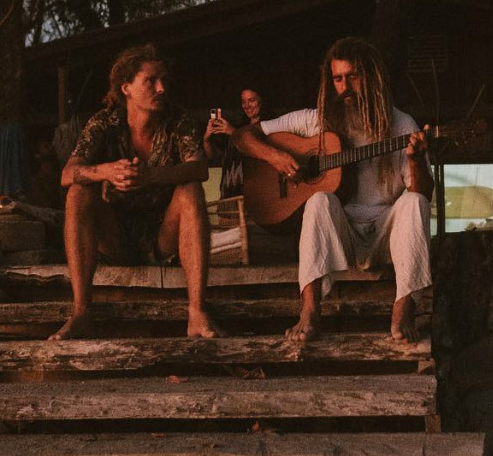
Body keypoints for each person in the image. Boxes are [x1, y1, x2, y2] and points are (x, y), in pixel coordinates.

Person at [231, 37, 432, 343]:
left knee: (414, 202)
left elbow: (424, 192)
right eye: (338, 78)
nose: (345, 86)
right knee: (319, 200)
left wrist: (415, 161)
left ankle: (404, 305)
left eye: (353, 76)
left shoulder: (401, 124)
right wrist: (276, 157)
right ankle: (310, 311)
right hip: (343, 234)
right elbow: (242, 137)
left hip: (386, 234)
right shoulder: (316, 121)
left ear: (372, 77)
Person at [51, 45, 222, 340]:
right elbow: (67, 174)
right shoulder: (104, 122)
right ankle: (81, 313)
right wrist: (105, 171)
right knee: (78, 192)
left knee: (191, 189)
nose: (161, 88)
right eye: (151, 81)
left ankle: (196, 311)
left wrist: (151, 176)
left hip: (162, 237)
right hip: (115, 237)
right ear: (126, 87)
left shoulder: (178, 120)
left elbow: (199, 168)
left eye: (163, 80)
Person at [220, 87, 264, 198]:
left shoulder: (270, 126)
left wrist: (234, 132)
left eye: (251, 100)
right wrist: (206, 139)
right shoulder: (239, 127)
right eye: (244, 102)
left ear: (261, 100)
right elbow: (217, 157)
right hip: (229, 192)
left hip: (253, 193)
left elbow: (261, 149)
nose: (247, 105)